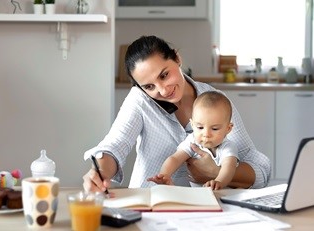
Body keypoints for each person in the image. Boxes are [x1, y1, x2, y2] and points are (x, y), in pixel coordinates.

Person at [83, 35, 271, 192]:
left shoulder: (216, 101)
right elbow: (115, 145)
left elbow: (260, 169)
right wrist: (99, 173)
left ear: (177, 59)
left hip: (206, 213)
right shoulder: (140, 100)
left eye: (164, 75)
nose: (163, 91)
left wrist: (216, 172)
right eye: (149, 86)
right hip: (150, 207)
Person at [148, 91, 239, 190]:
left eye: (215, 129)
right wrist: (165, 174)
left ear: (228, 128)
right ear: (192, 124)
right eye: (200, 127)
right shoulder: (192, 141)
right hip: (199, 195)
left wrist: (219, 181)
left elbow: (228, 168)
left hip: (224, 195)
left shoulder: (227, 147)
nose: (206, 134)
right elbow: (175, 158)